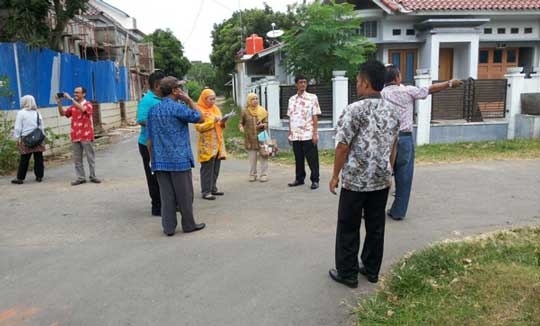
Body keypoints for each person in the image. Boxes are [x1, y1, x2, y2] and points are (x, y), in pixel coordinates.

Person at [328, 61, 400, 288]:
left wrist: (334, 175)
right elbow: (394, 145)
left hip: (356, 181)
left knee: (348, 226)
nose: (357, 85)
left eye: (358, 81)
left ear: (366, 83)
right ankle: (371, 269)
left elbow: (342, 146)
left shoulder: (354, 109)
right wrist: (388, 171)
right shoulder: (393, 111)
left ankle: (347, 273)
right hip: (380, 180)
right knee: (376, 226)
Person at [382, 66, 463, 220]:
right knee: (404, 176)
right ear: (397, 78)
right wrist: (450, 83)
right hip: (404, 139)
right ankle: (398, 212)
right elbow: (429, 89)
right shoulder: (407, 91)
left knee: (381, 175)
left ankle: (373, 210)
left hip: (385, 139)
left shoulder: (381, 94)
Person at [146, 76, 206, 236]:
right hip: (179, 160)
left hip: (159, 161)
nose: (181, 90)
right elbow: (200, 117)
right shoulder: (177, 108)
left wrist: (152, 159)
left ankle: (169, 228)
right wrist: (188, 100)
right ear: (174, 91)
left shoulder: (153, 110)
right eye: (179, 87)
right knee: (185, 195)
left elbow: (149, 139)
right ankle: (188, 224)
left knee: (166, 196)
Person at [56, 87, 101, 186]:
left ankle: (93, 176)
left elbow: (83, 109)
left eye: (77, 93)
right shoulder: (73, 106)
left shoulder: (88, 104)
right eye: (74, 92)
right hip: (75, 135)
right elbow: (63, 113)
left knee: (90, 157)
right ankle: (81, 177)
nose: (75, 94)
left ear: (83, 94)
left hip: (86, 135)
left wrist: (70, 99)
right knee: (77, 159)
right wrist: (59, 103)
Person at [137, 71, 165, 216]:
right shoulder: (147, 100)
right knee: (153, 176)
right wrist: (160, 121)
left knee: (165, 175)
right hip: (148, 144)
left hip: (161, 143)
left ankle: (168, 204)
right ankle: (157, 207)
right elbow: (141, 119)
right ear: (157, 85)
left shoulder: (163, 98)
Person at [287, 75, 321, 190]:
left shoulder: (312, 98)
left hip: (308, 134)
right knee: (298, 158)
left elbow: (315, 116)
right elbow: (290, 117)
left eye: (305, 82)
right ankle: (299, 179)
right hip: (296, 134)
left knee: (312, 159)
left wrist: (315, 133)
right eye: (300, 82)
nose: (303, 84)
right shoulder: (291, 99)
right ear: (296, 84)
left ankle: (315, 180)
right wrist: (290, 133)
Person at [195, 89, 227, 200]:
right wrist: (212, 121)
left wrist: (223, 122)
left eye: (214, 98)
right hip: (207, 144)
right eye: (211, 99)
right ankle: (206, 191)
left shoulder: (215, 108)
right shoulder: (199, 110)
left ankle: (213, 188)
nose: (213, 101)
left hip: (217, 142)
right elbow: (199, 127)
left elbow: (221, 125)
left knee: (216, 167)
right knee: (207, 168)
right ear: (204, 99)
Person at [11, 95, 45, 184]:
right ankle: (39, 176)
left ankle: (20, 178)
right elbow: (41, 127)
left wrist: (17, 138)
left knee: (24, 159)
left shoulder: (21, 113)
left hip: (26, 139)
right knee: (39, 158)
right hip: (38, 139)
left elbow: (18, 127)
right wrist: (42, 137)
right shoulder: (37, 113)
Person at [239, 93, 269, 182]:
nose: (255, 100)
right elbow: (241, 122)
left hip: (262, 136)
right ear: (249, 101)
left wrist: (263, 125)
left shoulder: (262, 110)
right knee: (252, 158)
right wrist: (241, 127)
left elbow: (266, 123)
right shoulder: (245, 111)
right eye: (253, 99)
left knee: (264, 155)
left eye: (257, 98)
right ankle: (253, 174)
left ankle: (264, 175)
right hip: (250, 137)